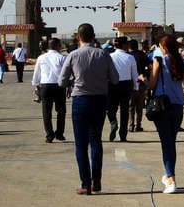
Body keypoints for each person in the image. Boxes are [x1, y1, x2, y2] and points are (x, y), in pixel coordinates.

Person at [58, 23, 119, 195]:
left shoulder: (73, 55)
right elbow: (115, 79)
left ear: (78, 37)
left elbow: (61, 82)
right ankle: (96, 181)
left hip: (81, 100)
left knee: (81, 144)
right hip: (100, 100)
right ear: (93, 37)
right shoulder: (104, 55)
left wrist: (73, 81)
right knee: (96, 140)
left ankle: (85, 183)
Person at [147, 34, 184, 194]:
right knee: (171, 142)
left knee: (166, 144)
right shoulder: (180, 61)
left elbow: (152, 84)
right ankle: (169, 175)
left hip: (163, 105)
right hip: (177, 106)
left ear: (163, 48)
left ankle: (171, 179)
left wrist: (144, 79)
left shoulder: (160, 60)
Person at [32, 38, 67, 143]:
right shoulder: (62, 58)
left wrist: (36, 85)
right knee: (61, 111)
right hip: (59, 86)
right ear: (58, 46)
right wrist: (68, 85)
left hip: (45, 86)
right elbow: (66, 73)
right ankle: (60, 134)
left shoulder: (41, 58)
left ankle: (49, 135)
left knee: (46, 112)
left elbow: (37, 73)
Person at [107, 37, 138, 142]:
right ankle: (123, 134)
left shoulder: (109, 57)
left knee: (111, 108)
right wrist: (136, 87)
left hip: (111, 84)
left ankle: (113, 123)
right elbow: (135, 74)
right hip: (126, 85)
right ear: (124, 45)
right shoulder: (130, 57)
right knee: (124, 110)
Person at [128, 39, 149, 132]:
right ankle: (138, 125)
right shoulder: (143, 55)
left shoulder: (127, 56)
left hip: (130, 84)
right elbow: (149, 67)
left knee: (131, 106)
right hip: (141, 83)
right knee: (139, 106)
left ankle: (131, 125)